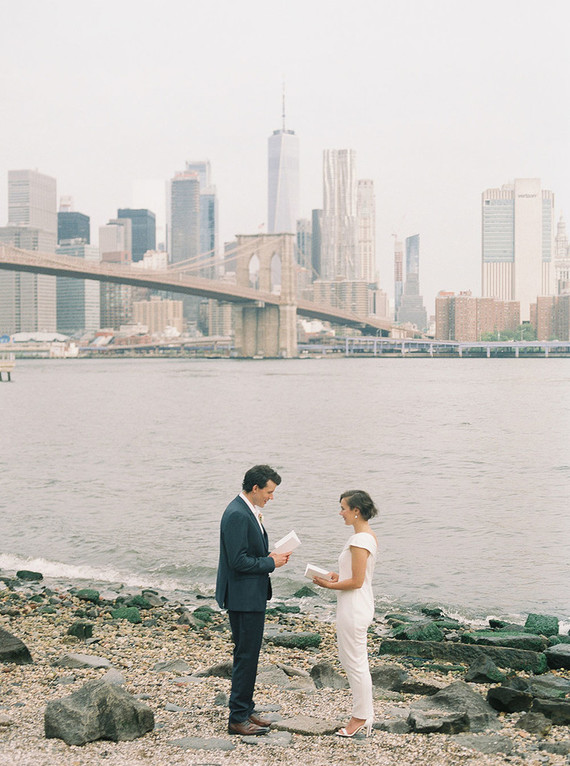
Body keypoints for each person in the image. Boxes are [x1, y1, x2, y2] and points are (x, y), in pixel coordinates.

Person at [215, 464, 292, 736]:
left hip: (248, 595)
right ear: (255, 488)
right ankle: (237, 717)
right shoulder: (237, 514)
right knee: (246, 656)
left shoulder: (246, 510)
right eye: (269, 492)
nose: (272, 497)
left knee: (249, 655)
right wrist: (269, 562)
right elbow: (238, 561)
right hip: (243, 597)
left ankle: (246, 709)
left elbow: (246, 552)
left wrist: (269, 556)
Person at [313, 490, 378, 738]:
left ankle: (361, 717)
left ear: (356, 511)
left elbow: (358, 581)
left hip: (354, 606)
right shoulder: (366, 536)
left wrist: (329, 585)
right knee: (353, 660)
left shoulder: (360, 540)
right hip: (357, 604)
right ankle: (364, 714)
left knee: (355, 663)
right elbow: (355, 576)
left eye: (343, 508)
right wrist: (338, 577)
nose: (340, 513)